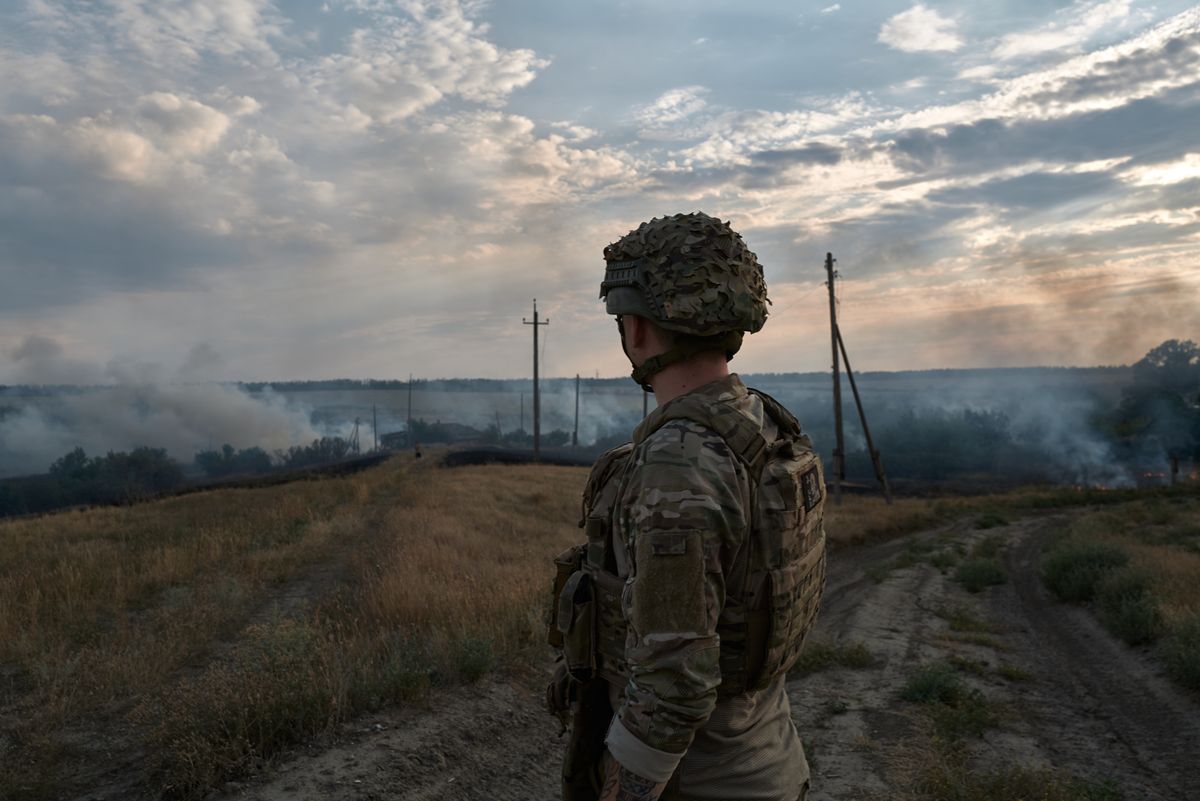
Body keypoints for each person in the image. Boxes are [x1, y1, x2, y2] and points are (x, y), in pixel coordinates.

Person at [547, 212, 828, 801]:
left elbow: (673, 686)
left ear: (639, 328)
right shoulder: (763, 425)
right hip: (770, 763)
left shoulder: (678, 462)